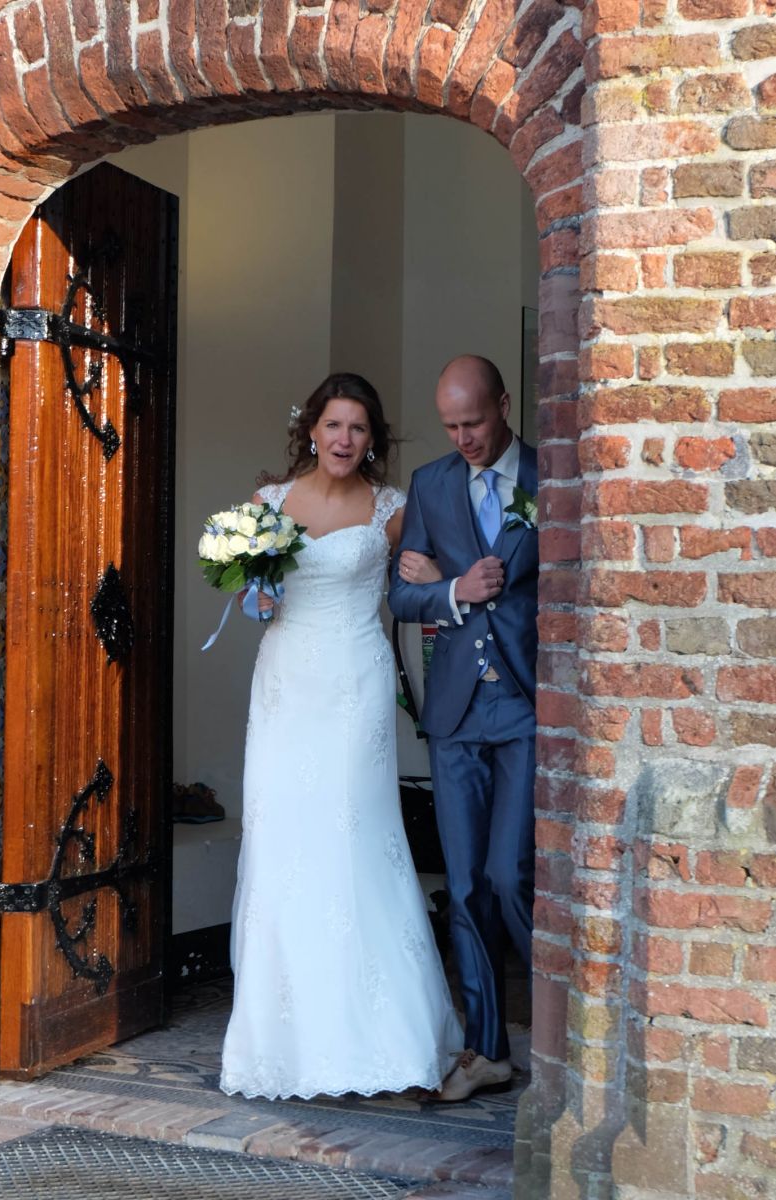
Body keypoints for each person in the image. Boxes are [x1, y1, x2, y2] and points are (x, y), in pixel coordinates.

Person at [219, 372, 463, 1101]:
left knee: (354, 835)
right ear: (312, 429)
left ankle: (384, 1035)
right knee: (283, 838)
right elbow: (251, 596)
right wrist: (254, 594)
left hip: (355, 686)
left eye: (358, 428)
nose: (344, 439)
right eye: (333, 425)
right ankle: (285, 1038)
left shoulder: (392, 509)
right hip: (285, 686)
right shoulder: (267, 505)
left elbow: (427, 584)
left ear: (372, 439)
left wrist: (436, 573)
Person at [387, 355, 537, 1103]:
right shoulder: (430, 485)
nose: (463, 438)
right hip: (454, 713)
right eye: (450, 426)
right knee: (468, 881)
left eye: (472, 422)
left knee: (512, 876)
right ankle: (486, 1051)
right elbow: (401, 596)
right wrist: (451, 588)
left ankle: (567, 1035)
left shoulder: (550, 475)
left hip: (526, 705)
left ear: (503, 405)